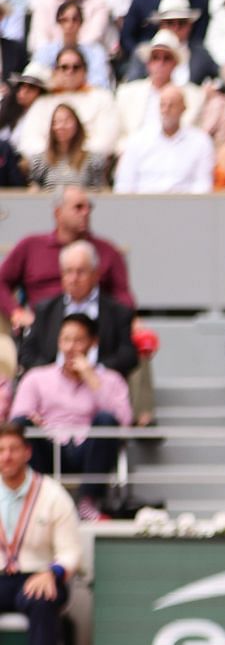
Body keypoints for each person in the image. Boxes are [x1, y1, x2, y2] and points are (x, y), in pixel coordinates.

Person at [13, 312, 132, 517]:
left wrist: (92, 380)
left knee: (106, 420)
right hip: (49, 444)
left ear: (93, 343)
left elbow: (124, 421)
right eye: (65, 339)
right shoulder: (37, 377)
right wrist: (35, 421)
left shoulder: (111, 380)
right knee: (22, 425)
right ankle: (38, 502)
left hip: (88, 448)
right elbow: (17, 417)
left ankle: (87, 503)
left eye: (78, 340)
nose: (70, 347)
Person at [0, 422, 80, 645]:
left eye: (13, 449)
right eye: (0, 451)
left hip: (40, 575)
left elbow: (71, 551)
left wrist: (52, 572)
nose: (6, 457)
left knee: (41, 598)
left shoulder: (52, 494)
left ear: (27, 453)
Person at [0, 188, 133, 329]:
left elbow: (123, 297)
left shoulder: (107, 251)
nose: (86, 212)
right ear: (58, 213)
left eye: (89, 208)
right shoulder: (31, 246)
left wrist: (124, 322)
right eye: (78, 207)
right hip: (42, 330)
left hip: (94, 331)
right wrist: (16, 312)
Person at [19, 240, 138, 380]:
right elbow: (27, 354)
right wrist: (52, 374)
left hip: (99, 385)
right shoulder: (45, 310)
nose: (74, 278)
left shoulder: (118, 311)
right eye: (68, 271)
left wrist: (95, 371)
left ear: (96, 274)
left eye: (80, 272)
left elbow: (128, 356)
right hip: (52, 388)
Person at [114, 84, 216, 194]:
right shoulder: (137, 140)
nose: (166, 110)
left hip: (186, 206)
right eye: (162, 105)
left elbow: (203, 185)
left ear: (183, 108)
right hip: (143, 205)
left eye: (172, 105)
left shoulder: (201, 142)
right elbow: (124, 185)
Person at [27, 103, 108, 192]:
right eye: (56, 122)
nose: (61, 126)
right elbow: (33, 194)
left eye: (66, 121)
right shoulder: (40, 160)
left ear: (77, 125)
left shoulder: (93, 160)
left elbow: (100, 194)